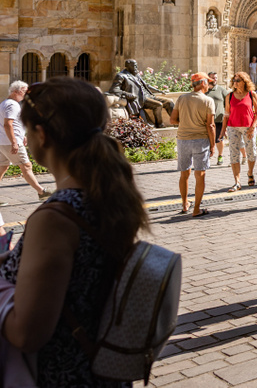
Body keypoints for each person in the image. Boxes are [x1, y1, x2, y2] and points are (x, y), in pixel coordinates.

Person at [1, 77, 149, 387]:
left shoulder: (55, 217)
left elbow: (26, 333)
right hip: (102, 370)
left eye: (27, 131)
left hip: (63, 374)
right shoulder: (110, 194)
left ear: (41, 135)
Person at [171, 72, 217, 216]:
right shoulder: (208, 101)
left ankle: (185, 204)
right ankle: (196, 209)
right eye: (208, 82)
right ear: (203, 83)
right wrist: (213, 144)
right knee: (200, 175)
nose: (209, 85)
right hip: (200, 140)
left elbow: (173, 120)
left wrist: (185, 123)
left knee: (184, 173)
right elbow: (210, 126)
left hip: (183, 139)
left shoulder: (182, 98)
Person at [1, 81, 52, 199]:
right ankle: (42, 192)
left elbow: (11, 124)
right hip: (10, 142)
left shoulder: (4, 103)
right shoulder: (12, 105)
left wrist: (21, 135)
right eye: (25, 91)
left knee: (2, 168)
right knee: (26, 166)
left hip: (2, 142)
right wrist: (14, 141)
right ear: (16, 91)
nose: (26, 94)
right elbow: (7, 124)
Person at [222, 71, 257, 191]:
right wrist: (223, 131)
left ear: (244, 82)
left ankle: (250, 173)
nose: (235, 83)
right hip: (233, 127)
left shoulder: (251, 94)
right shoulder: (230, 96)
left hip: (248, 127)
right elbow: (226, 114)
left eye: (238, 80)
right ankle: (237, 182)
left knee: (251, 153)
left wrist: (253, 126)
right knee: (234, 154)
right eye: (234, 80)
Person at [206, 72, 228, 166]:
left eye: (216, 78)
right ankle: (206, 157)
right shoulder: (204, 90)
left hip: (219, 120)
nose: (215, 79)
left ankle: (220, 155)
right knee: (206, 139)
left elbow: (228, 104)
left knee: (219, 139)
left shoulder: (221, 90)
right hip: (206, 120)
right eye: (213, 78)